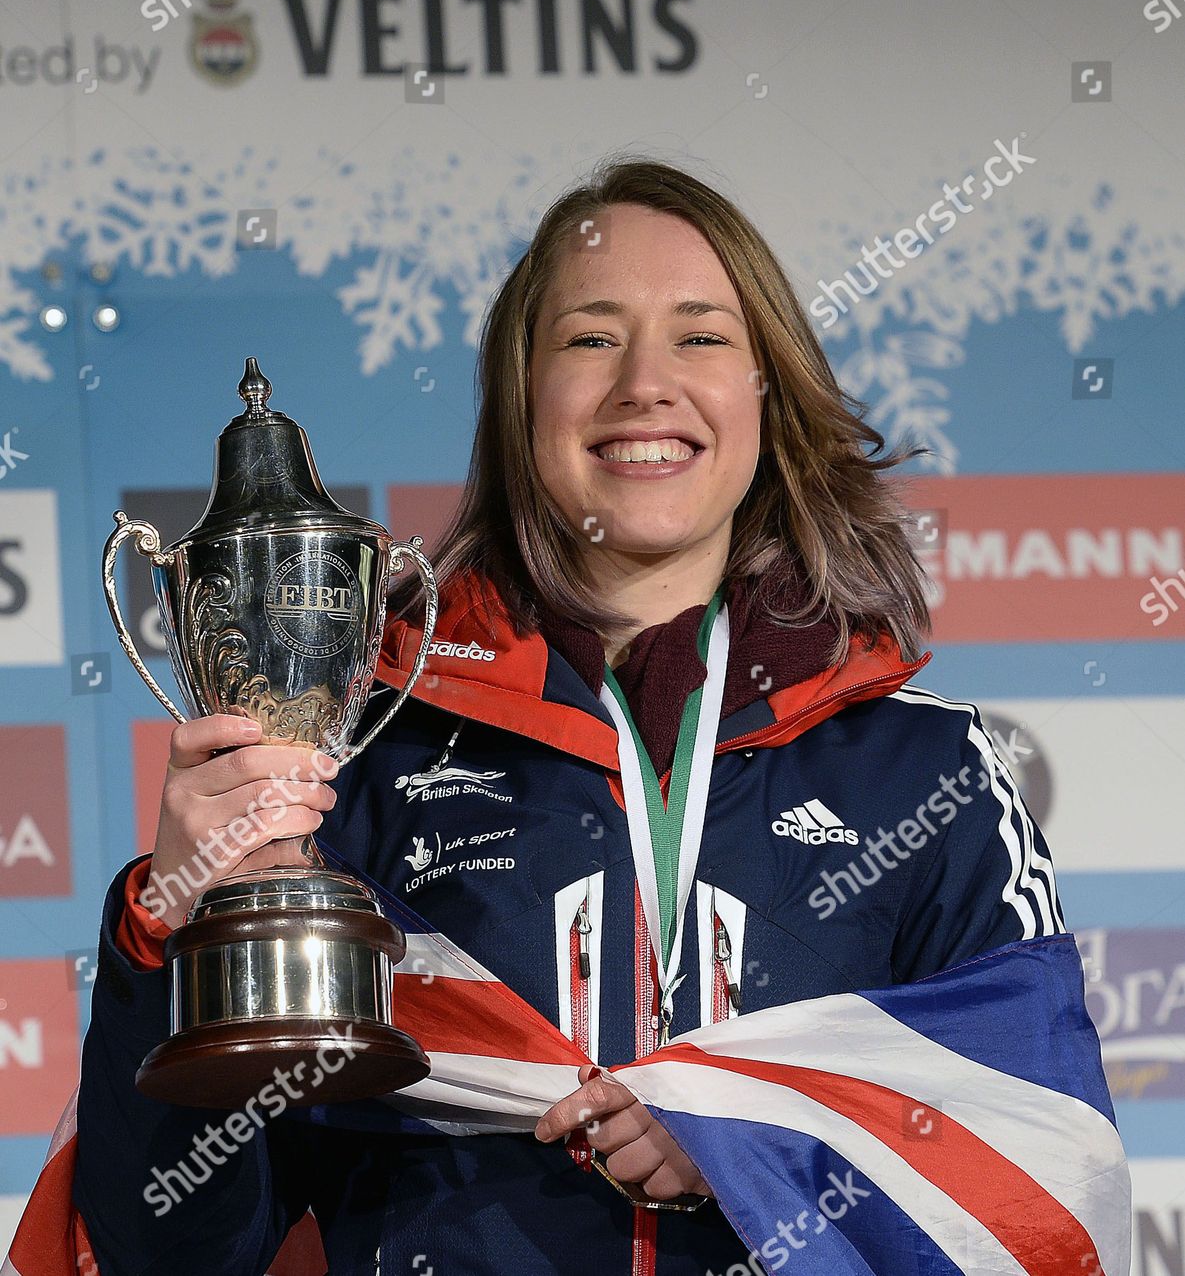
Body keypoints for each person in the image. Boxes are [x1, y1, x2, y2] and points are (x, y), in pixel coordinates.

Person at [72, 158, 1065, 1274]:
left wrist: (766, 1139)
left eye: (700, 336)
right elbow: (169, 1252)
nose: (647, 383)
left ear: (764, 392)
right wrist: (172, 931)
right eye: (592, 339)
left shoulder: (929, 774)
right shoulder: (356, 773)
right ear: (521, 401)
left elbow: (1036, 1183)